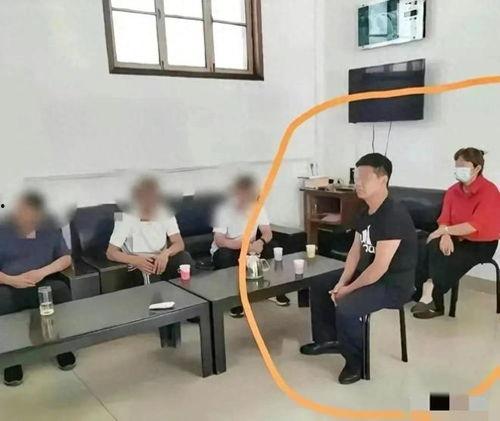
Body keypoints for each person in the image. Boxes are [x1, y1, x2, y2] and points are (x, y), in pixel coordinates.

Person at [300, 153, 417, 385]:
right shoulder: (364, 210)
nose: (358, 184)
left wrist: (348, 289)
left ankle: (356, 363)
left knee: (347, 306)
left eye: (365, 178)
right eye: (357, 178)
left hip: (393, 284)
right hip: (369, 275)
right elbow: (355, 250)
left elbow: (380, 268)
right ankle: (329, 340)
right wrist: (342, 281)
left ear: (383, 179)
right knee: (321, 282)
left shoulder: (393, 214)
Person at [412, 148, 500, 319]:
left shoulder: (489, 191)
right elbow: (444, 218)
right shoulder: (453, 191)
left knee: (443, 254)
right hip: (455, 236)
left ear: (477, 168)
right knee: (429, 245)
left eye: (463, 166)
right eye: (457, 166)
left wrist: (444, 231)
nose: (459, 170)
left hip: (481, 243)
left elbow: (474, 225)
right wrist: (445, 235)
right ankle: (423, 293)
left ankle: (433, 300)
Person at [0, 192, 76, 386]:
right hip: (9, 285)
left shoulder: (50, 229)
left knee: (60, 290)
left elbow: (66, 258)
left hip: (43, 282)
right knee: (3, 301)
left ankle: (61, 347)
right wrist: (12, 280)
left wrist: (42, 272)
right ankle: (12, 358)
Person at [211, 175, 289, 317]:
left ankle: (274, 290)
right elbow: (219, 240)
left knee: (273, 247)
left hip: (251, 247)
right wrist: (243, 246)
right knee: (224, 256)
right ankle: (234, 300)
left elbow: (267, 232)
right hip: (229, 248)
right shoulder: (224, 210)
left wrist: (261, 242)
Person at [106, 177, 193, 282]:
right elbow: (111, 253)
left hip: (161, 258)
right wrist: (136, 261)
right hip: (138, 260)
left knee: (184, 258)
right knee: (151, 277)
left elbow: (179, 243)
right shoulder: (124, 217)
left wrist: (166, 254)